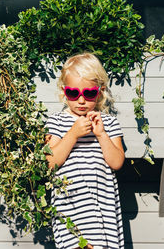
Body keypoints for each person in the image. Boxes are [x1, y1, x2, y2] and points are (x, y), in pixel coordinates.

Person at [45, 52, 125, 249]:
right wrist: (72, 134)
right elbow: (50, 162)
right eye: (73, 93)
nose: (81, 100)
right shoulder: (56, 122)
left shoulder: (108, 123)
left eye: (88, 93)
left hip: (102, 210)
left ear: (100, 91)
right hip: (69, 207)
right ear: (64, 92)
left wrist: (102, 135)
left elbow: (117, 162)